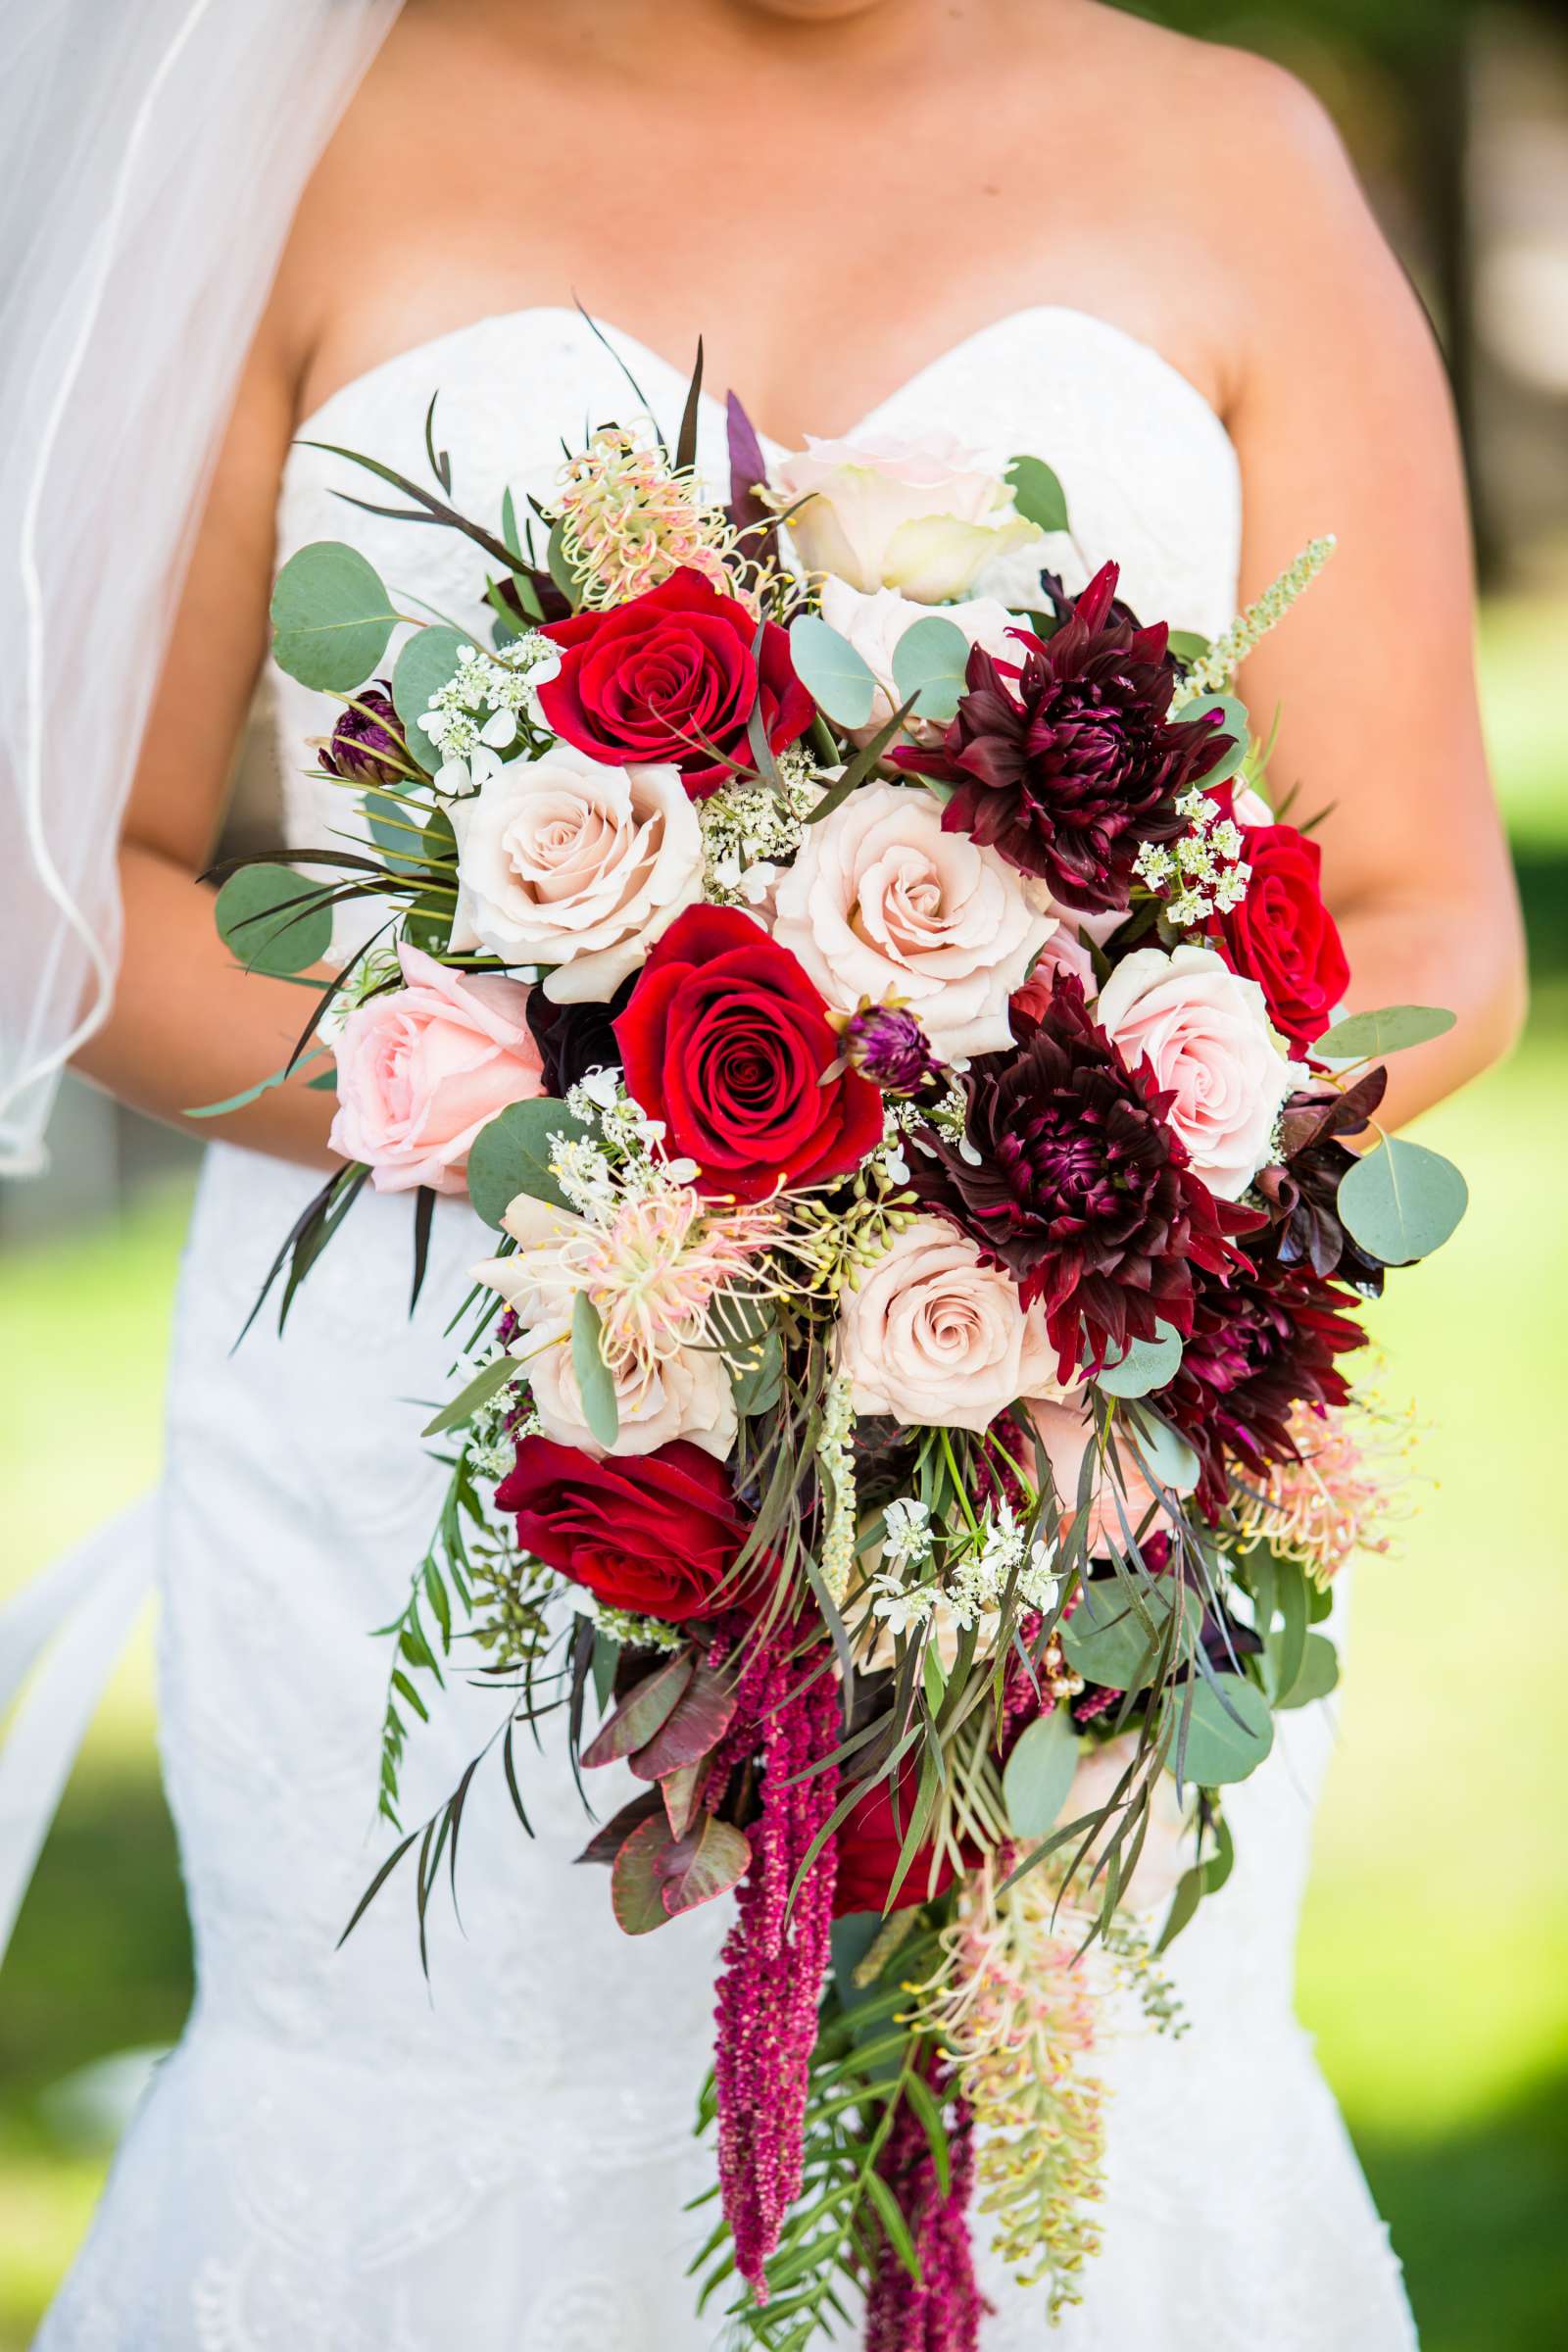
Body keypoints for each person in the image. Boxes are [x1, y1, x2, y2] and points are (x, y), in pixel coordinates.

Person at [10, 2, 1525, 2345]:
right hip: (446, 1421)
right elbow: (65, 896)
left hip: (1046, 1429)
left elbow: (1427, 919)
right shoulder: (308, 139)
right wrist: (592, 1115)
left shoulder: (1233, 150)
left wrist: (1026, 1165)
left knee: (1067, 2150)